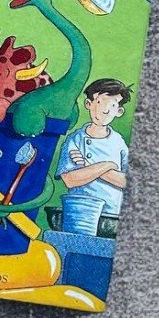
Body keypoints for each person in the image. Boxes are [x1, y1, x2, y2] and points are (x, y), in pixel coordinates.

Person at [56, 78, 131, 235]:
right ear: (88, 104)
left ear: (119, 111)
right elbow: (70, 179)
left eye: (112, 105)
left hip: (111, 215)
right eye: (99, 102)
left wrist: (87, 166)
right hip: (80, 212)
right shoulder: (75, 139)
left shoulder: (118, 142)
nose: (105, 110)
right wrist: (107, 165)